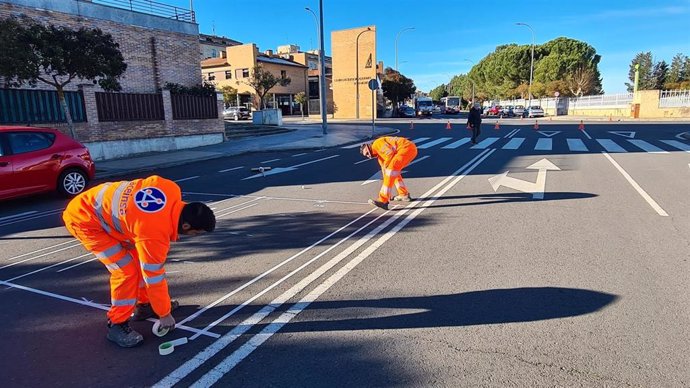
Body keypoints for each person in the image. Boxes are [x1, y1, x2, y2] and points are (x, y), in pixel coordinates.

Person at [62, 175, 216, 348]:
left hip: (101, 208)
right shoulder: (154, 235)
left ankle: (145, 305)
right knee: (125, 270)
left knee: (138, 259)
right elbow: (153, 276)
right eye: (196, 233)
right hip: (85, 220)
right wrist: (164, 314)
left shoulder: (171, 188)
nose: (192, 237)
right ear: (186, 226)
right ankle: (116, 324)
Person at [360, 136, 418, 210]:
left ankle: (383, 200)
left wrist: (388, 168)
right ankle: (403, 194)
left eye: (367, 153)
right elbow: (385, 173)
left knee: (391, 171)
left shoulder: (377, 144)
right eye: (366, 156)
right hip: (408, 149)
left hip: (406, 148)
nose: (369, 156)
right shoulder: (380, 156)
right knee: (393, 172)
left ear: (369, 147)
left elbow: (390, 153)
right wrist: (387, 188)